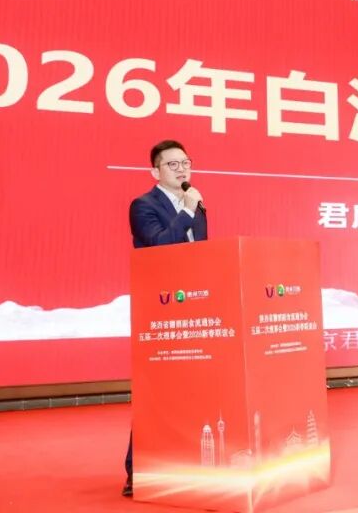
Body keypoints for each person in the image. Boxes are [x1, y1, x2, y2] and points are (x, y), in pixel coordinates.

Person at [123, 139, 208, 497]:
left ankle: (188, 462)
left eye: (185, 162)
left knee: (194, 388)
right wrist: (186, 212)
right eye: (172, 164)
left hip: (196, 306)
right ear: (154, 171)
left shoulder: (197, 205)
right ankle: (138, 470)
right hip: (162, 309)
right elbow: (159, 247)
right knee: (156, 391)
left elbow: (203, 255)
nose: (182, 169)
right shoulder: (143, 205)